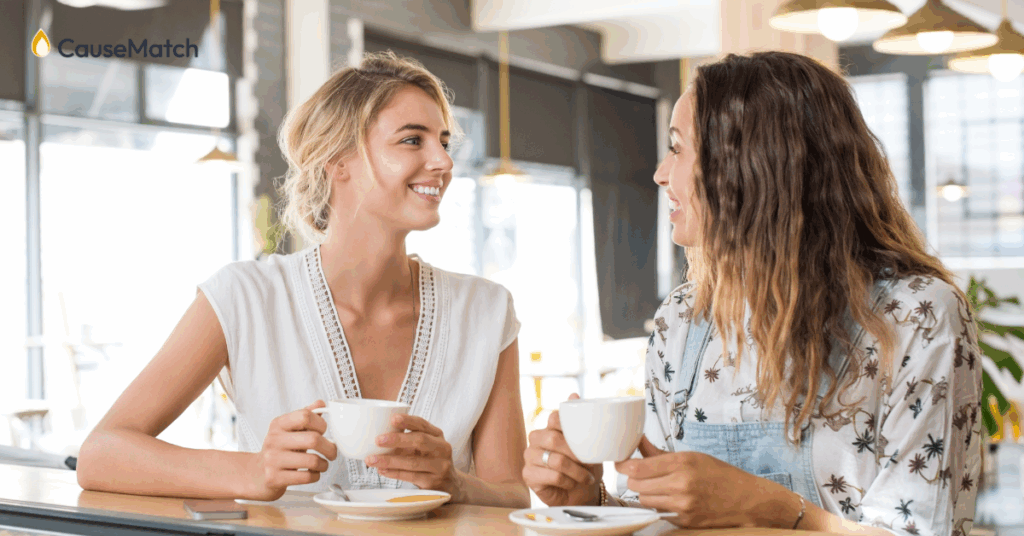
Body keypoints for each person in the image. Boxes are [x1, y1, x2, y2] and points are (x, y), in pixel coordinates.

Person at [523, 51, 981, 536]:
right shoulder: (682, 318)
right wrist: (591, 500)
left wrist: (773, 508)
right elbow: (657, 517)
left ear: (750, 167)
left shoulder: (916, 317)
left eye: (677, 149)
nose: (660, 173)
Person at [77, 51, 530, 508]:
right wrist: (252, 471)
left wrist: (455, 483)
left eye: (444, 142)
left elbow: (512, 495)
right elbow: (101, 454)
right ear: (338, 160)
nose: (444, 162)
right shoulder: (244, 298)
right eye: (413, 140)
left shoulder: (486, 312)